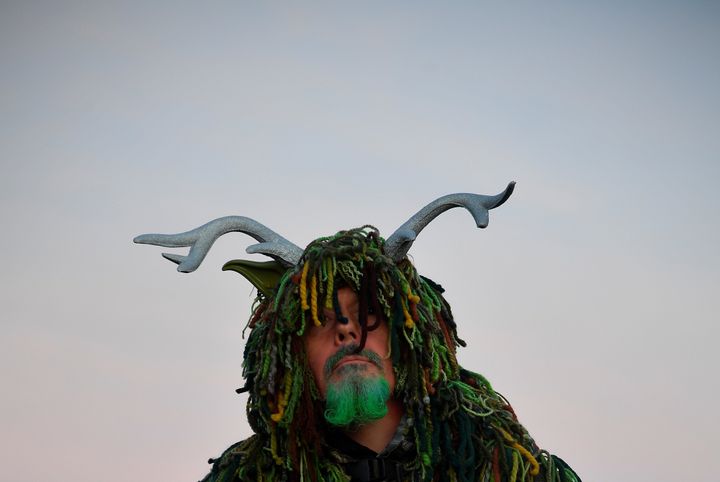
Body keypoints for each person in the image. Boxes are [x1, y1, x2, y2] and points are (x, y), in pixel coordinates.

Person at [135, 185, 581, 482]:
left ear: (412, 336)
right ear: (288, 357)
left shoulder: (498, 462)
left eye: (368, 313)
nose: (346, 329)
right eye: (319, 319)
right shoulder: (248, 476)